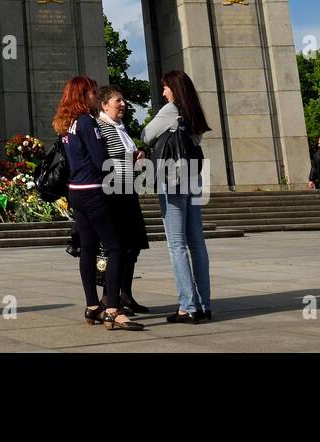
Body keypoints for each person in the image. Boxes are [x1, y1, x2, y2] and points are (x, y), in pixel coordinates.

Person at [58, 77, 141, 332]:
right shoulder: (86, 122)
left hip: (76, 192)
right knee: (116, 248)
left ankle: (92, 305)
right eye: (93, 92)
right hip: (94, 191)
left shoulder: (66, 124)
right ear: (84, 96)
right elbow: (100, 160)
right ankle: (113, 309)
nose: (96, 96)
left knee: (89, 249)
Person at [142, 70, 212, 324]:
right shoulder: (194, 111)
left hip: (173, 178)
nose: (163, 92)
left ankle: (187, 306)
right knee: (197, 243)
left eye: (165, 88)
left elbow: (146, 135)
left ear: (173, 89)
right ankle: (204, 304)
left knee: (176, 245)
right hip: (195, 176)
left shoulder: (170, 110)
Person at [95, 86, 151, 315]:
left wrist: (138, 154)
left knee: (132, 246)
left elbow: (124, 155)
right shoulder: (100, 127)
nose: (123, 104)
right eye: (118, 100)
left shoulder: (121, 127)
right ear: (104, 104)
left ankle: (126, 295)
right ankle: (109, 297)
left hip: (128, 192)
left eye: (124, 100)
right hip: (113, 195)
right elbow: (103, 159)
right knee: (115, 248)